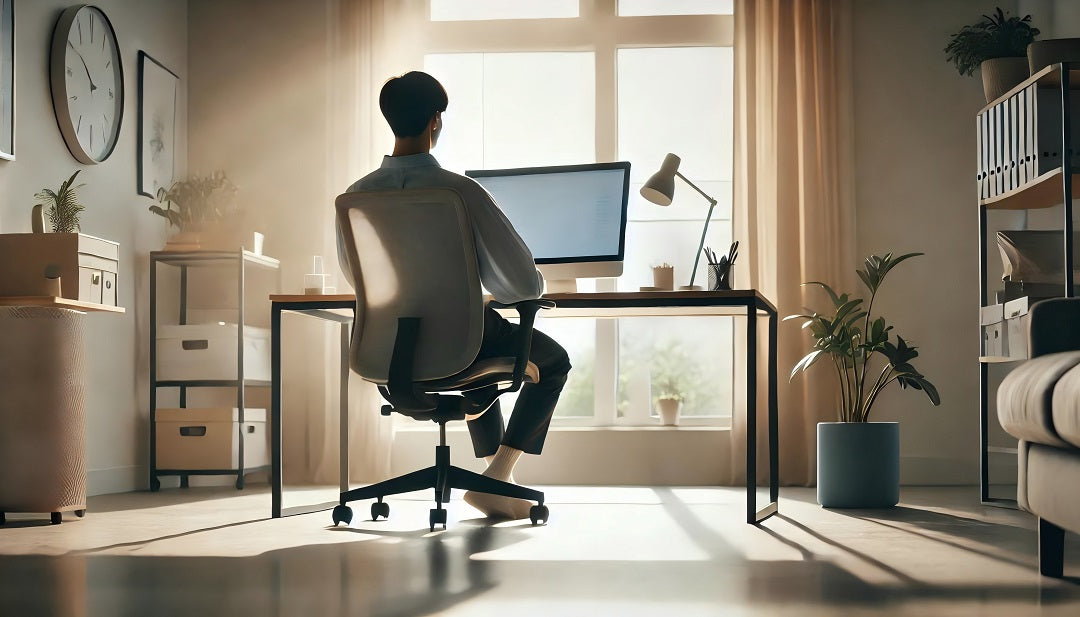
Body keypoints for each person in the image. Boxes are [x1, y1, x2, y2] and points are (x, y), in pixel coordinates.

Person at [338, 71, 571, 520]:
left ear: (391, 120)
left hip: (390, 351)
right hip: (462, 345)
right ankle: (498, 477)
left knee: (479, 351)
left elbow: (357, 276)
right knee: (552, 361)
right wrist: (481, 296)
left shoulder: (356, 196)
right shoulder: (460, 192)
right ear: (435, 122)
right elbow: (525, 285)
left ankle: (492, 482)